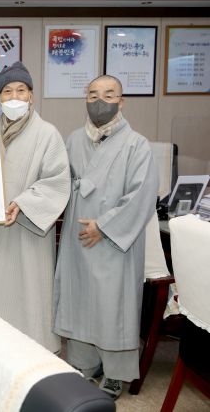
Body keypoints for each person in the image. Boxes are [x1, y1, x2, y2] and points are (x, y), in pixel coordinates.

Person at [53, 75, 159, 399]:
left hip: (113, 239)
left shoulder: (137, 144)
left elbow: (142, 195)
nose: (100, 101)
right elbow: (59, 182)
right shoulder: (73, 140)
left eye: (109, 95)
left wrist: (104, 226)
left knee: (114, 305)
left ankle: (115, 372)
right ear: (85, 99)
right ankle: (84, 363)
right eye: (93, 95)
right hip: (78, 235)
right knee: (80, 299)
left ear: (121, 102)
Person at [0, 62, 70, 353]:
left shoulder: (48, 133)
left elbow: (57, 180)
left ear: (31, 96)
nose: (14, 97)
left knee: (31, 293)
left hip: (30, 231)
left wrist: (22, 203)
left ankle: (35, 352)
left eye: (21, 90)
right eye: (7, 91)